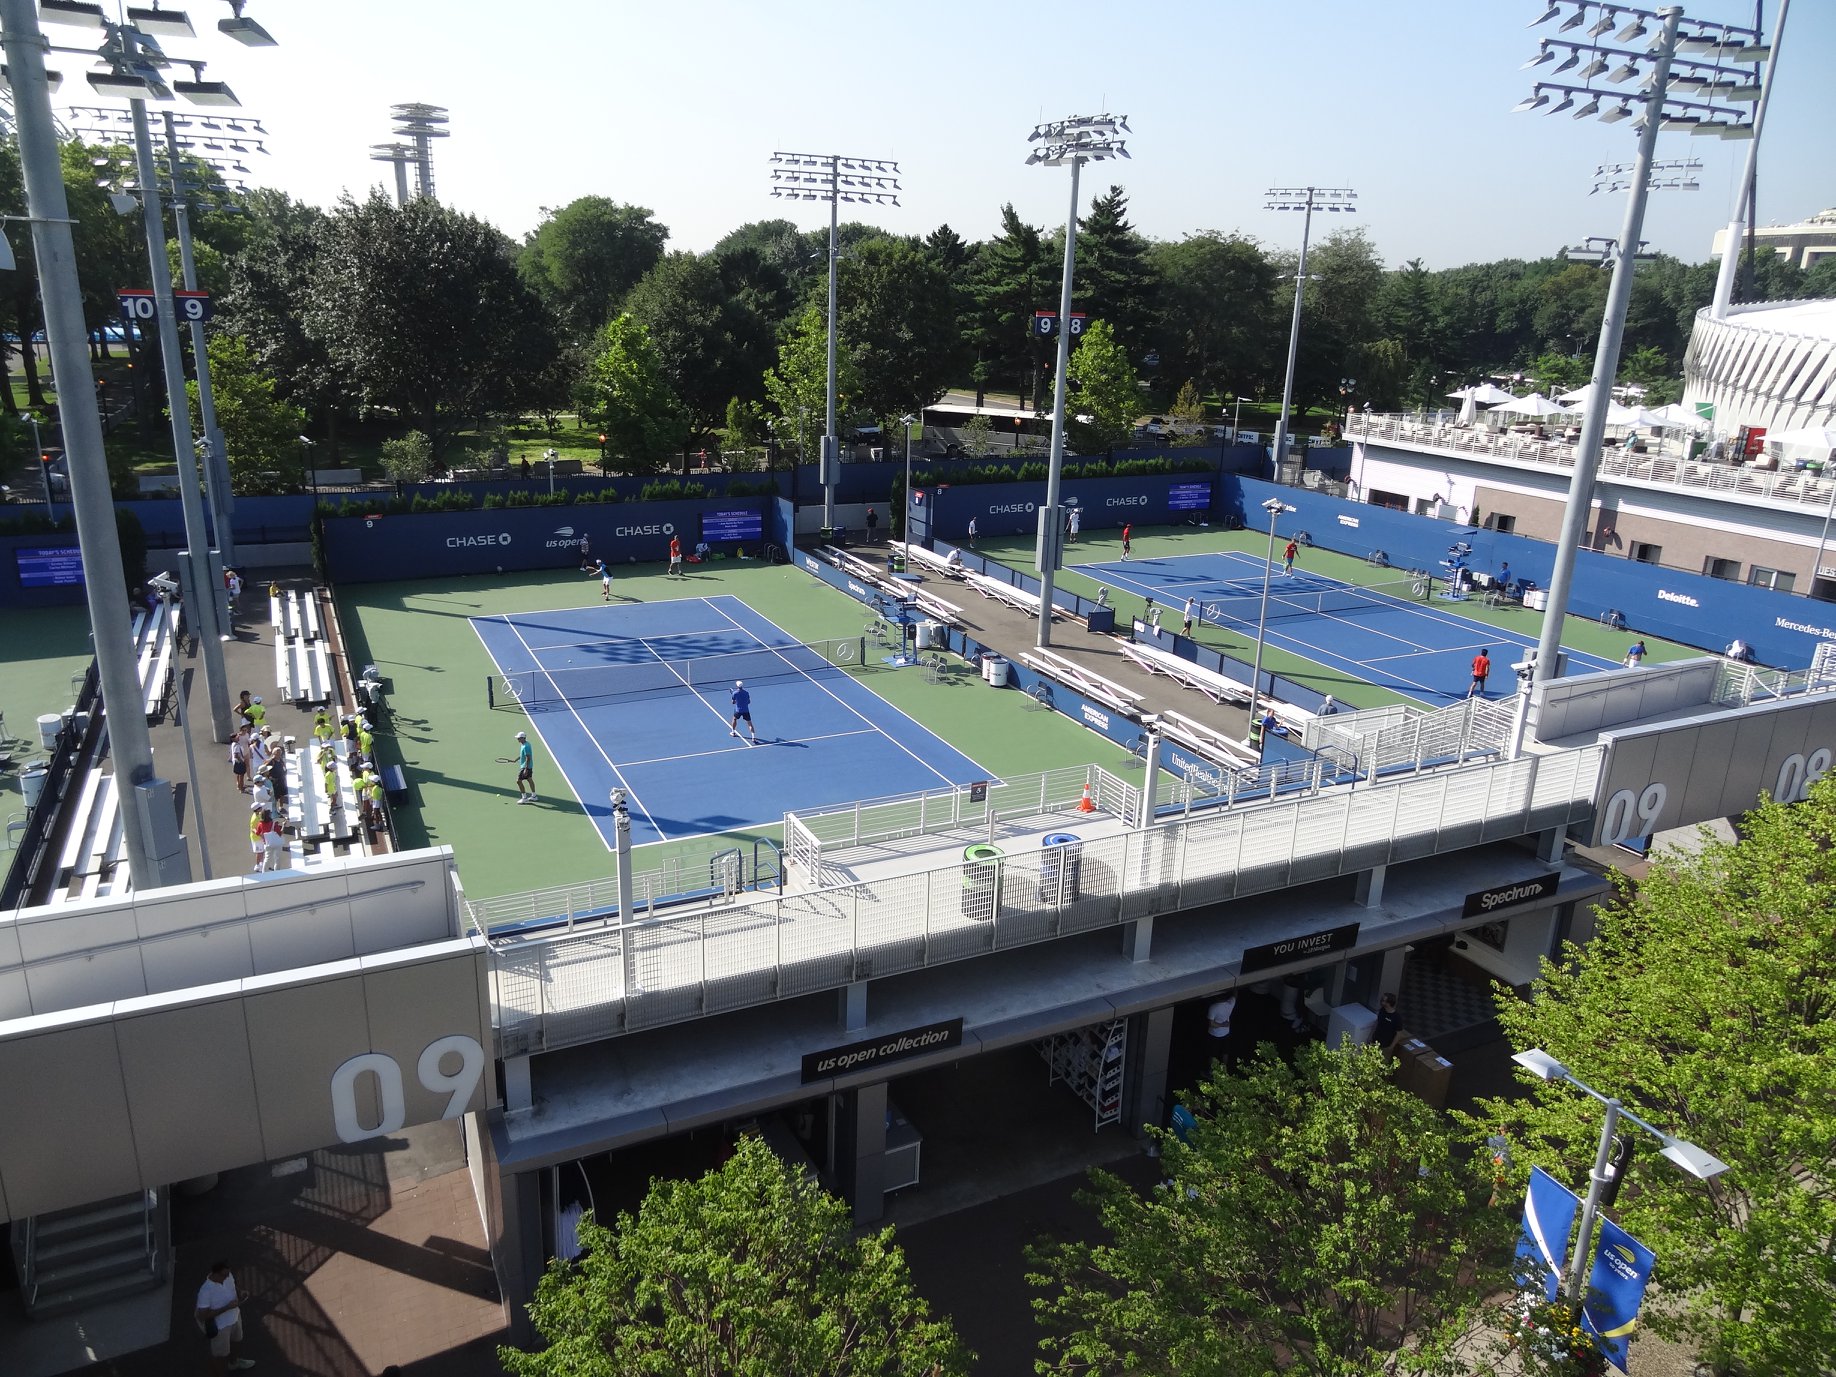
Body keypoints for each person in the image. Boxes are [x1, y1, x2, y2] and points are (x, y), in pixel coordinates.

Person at [195, 1258, 256, 1372]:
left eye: (228, 1273)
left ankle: (234, 1362)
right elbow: (203, 1316)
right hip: (221, 1327)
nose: (228, 1277)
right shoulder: (205, 1291)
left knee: (237, 1341)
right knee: (220, 1356)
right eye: (224, 1275)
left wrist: (240, 1292)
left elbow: (233, 1285)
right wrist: (227, 1307)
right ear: (215, 1274)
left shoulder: (228, 1276)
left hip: (235, 1317)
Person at [1205, 992, 1236, 1061]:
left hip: (1214, 1034)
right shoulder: (1231, 1002)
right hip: (1226, 1032)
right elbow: (1235, 994)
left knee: (1212, 1054)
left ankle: (1211, 1070)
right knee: (1225, 1052)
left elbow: (1211, 1024)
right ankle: (1224, 1070)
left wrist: (1222, 1025)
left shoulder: (1213, 1007)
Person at [730, 679, 758, 744]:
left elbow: (733, 702)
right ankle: (753, 737)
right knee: (750, 723)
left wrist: (736, 701)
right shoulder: (746, 693)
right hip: (746, 710)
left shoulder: (734, 693)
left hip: (738, 711)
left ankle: (733, 732)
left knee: (734, 719)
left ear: (737, 686)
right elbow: (749, 702)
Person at [513, 731, 536, 803]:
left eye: (519, 738)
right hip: (528, 766)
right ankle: (534, 796)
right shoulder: (524, 744)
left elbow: (528, 757)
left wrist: (525, 769)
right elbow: (522, 755)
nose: (518, 739)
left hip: (525, 767)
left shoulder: (526, 746)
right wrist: (515, 760)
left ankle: (524, 798)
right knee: (529, 779)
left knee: (518, 781)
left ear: (523, 738)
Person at [230, 728, 249, 794]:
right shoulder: (236, 746)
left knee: (238, 775)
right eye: (236, 736)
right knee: (241, 775)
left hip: (236, 762)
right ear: (233, 738)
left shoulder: (233, 744)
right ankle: (241, 788)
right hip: (239, 762)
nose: (238, 736)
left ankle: (239, 785)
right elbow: (236, 755)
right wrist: (242, 761)